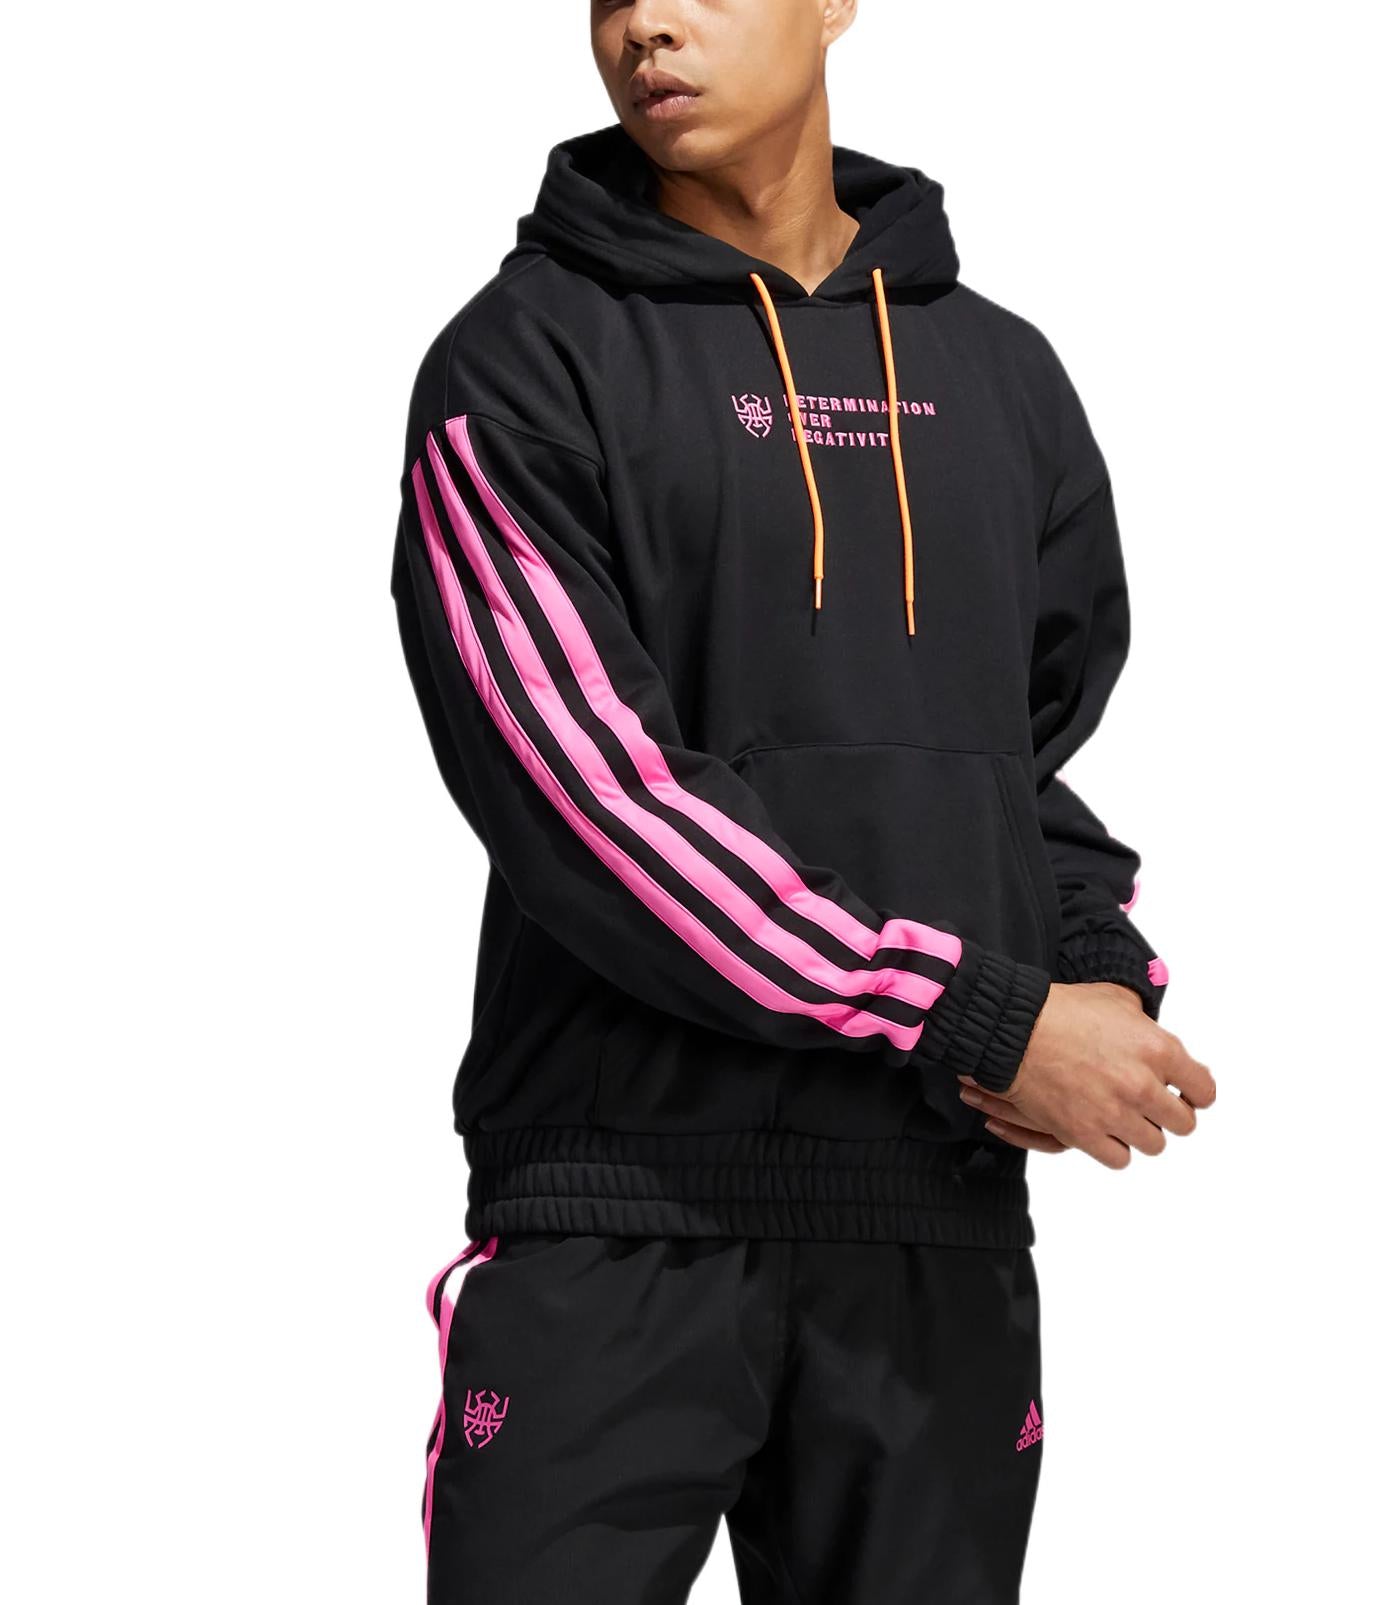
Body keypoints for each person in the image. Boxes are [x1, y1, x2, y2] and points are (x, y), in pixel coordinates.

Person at [390, 2, 1216, 1600]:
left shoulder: (1000, 375)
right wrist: (982, 1016)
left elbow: (1011, 765)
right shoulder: (521, 360)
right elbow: (591, 798)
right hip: (617, 1209)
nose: (645, 26)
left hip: (930, 1220)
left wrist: (1094, 967)